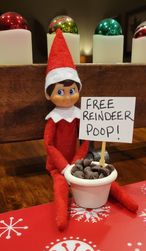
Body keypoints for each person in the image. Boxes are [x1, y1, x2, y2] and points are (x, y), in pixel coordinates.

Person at [44, 29, 138, 231]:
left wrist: (77, 160)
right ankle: (62, 217)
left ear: (78, 89)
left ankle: (126, 200)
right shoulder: (53, 119)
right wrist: (63, 166)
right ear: (49, 94)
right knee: (60, 186)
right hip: (57, 166)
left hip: (78, 161)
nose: (68, 96)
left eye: (72, 91)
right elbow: (49, 145)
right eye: (60, 92)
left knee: (103, 178)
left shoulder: (79, 115)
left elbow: (85, 138)